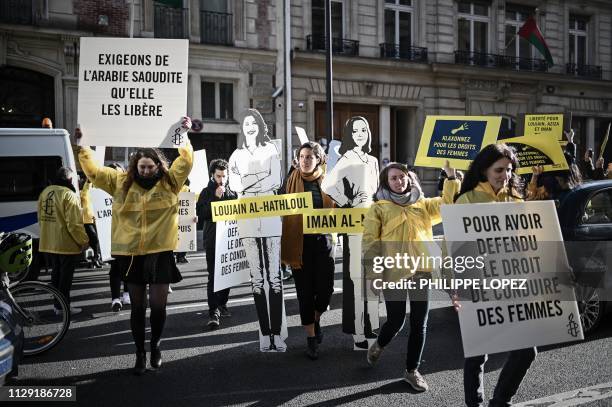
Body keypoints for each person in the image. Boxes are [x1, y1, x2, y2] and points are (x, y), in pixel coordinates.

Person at [76, 118, 193, 375]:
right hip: (130, 255)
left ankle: (156, 346)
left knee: (159, 306)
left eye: (151, 167)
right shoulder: (119, 182)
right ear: (134, 165)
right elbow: (93, 172)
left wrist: (182, 134)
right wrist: (83, 145)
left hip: (161, 252)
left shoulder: (171, 182)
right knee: (138, 308)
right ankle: (140, 352)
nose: (146, 171)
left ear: (159, 166)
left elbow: (186, 161)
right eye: (142, 166)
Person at [363, 161, 458, 391]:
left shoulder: (422, 204)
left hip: (421, 271)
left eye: (402, 176)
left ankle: (412, 370)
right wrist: (373, 273)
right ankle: (379, 344)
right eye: (393, 178)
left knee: (420, 323)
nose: (399, 181)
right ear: (386, 182)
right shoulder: (378, 208)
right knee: (396, 321)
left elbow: (447, 203)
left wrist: (451, 178)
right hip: (393, 271)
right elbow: (370, 243)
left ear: (409, 178)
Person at [454, 143, 536, 407]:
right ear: (484, 170)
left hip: (513, 284)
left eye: (510, 170)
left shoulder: (515, 199)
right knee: (478, 355)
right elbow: (454, 251)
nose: (505, 175)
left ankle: (500, 401)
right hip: (478, 285)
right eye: (499, 169)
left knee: (526, 351)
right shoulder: (466, 200)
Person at [228, 108, 285, 352]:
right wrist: (259, 179)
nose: (250, 126)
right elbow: (234, 184)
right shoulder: (235, 155)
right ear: (242, 128)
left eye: (254, 122)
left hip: (271, 217)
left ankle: (277, 335)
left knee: (275, 278)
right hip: (247, 219)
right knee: (257, 280)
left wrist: (249, 183)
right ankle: (266, 335)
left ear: (260, 126)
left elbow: (276, 181)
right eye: (246, 123)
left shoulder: (270, 149)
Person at [321, 116, 380, 350]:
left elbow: (375, 190)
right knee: (357, 278)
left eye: (363, 129)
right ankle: (358, 331)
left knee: (372, 277)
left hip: (373, 222)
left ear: (368, 133)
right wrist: (347, 200)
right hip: (354, 221)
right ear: (349, 134)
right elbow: (328, 184)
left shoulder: (373, 160)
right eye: (355, 130)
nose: (359, 134)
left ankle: (373, 326)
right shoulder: (347, 158)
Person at [281, 142, 335, 360]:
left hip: (323, 242)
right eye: (302, 156)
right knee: (304, 293)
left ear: (318, 159)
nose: (305, 160)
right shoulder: (290, 179)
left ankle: (316, 317)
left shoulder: (329, 180)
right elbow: (276, 203)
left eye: (310, 157)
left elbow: (339, 205)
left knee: (325, 291)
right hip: (298, 243)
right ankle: (311, 338)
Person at [37, 167, 89, 315]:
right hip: (66, 243)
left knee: (56, 275)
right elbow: (74, 224)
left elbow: (40, 218)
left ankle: (57, 305)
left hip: (49, 242)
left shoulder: (45, 192)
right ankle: (63, 307)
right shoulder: (68, 194)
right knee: (65, 278)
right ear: (70, 179)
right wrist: (84, 241)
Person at [196, 158, 237, 329]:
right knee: (213, 276)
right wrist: (215, 197)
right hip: (212, 240)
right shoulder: (206, 192)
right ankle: (213, 312)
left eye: (224, 176)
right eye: (219, 176)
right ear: (213, 175)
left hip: (228, 240)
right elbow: (201, 214)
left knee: (227, 276)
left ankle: (222, 303)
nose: (222, 179)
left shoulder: (233, 192)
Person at [105, 162, 131, 312]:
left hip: (127, 235)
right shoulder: (101, 191)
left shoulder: (129, 189)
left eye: (119, 173)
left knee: (128, 266)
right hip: (111, 236)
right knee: (115, 268)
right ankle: (115, 298)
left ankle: (126, 293)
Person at [78, 172, 103, 268]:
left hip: (92, 220)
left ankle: (97, 258)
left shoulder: (90, 191)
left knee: (95, 241)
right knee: (94, 240)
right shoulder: (84, 191)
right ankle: (95, 259)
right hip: (86, 221)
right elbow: (89, 182)